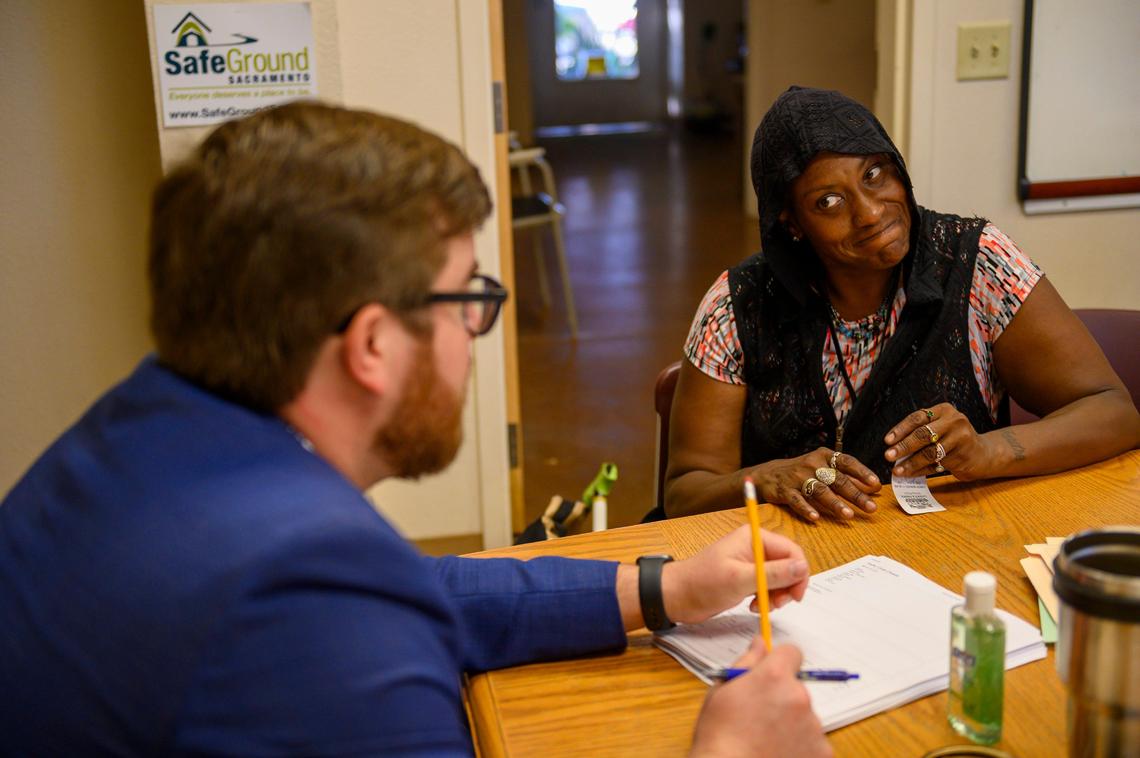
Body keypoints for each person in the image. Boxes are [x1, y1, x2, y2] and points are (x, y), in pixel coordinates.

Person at [0, 102, 832, 757]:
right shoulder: (307, 598)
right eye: (465, 298)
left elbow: (415, 587)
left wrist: (661, 591)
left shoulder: (141, 428)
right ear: (371, 344)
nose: (476, 333)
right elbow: (354, 601)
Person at [664, 86, 1140, 522]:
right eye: (829, 202)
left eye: (874, 174)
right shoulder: (737, 303)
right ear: (792, 224)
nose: (870, 213)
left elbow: (1113, 412)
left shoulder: (978, 263)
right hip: (789, 573)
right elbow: (686, 494)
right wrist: (763, 479)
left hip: (950, 552)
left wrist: (986, 451)